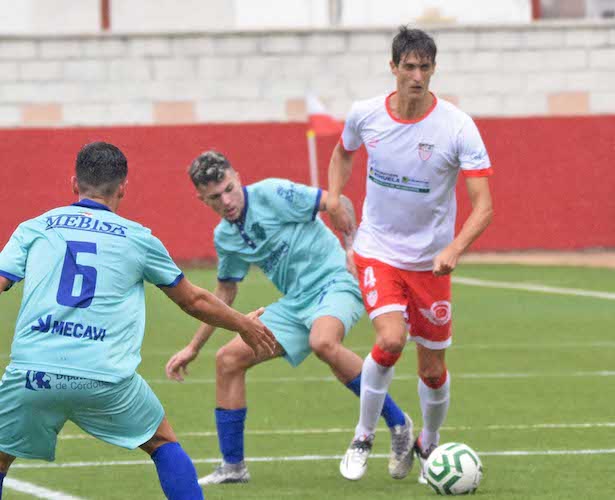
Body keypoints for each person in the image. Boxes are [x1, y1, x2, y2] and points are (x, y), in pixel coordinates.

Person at [0, 142, 275, 500]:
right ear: (123, 188)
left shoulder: (34, 228)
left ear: (74, 184)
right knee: (162, 443)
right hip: (103, 375)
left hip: (32, 372)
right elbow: (193, 300)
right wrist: (242, 323)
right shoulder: (138, 238)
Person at [164, 150, 415, 486]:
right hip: (295, 304)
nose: (225, 201)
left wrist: (354, 250)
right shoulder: (226, 237)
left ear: (237, 177)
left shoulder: (272, 193)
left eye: (228, 189)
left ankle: (399, 425)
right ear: (201, 199)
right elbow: (224, 295)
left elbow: (338, 203)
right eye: (214, 197)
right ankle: (233, 467)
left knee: (323, 342)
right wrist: (194, 346)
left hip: (335, 281)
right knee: (228, 359)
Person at [327, 26, 494, 482]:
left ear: (433, 69)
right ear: (394, 67)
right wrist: (333, 194)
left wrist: (455, 247)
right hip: (377, 250)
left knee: (434, 368)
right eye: (409, 67)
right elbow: (343, 153)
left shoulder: (457, 127)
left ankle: (429, 446)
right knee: (390, 340)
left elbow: (485, 205)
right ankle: (363, 434)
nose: (417, 76)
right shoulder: (366, 115)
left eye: (425, 67)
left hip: (431, 263)